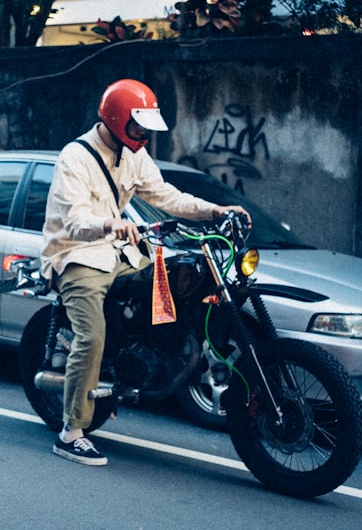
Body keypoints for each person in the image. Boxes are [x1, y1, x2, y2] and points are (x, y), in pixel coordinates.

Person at [41, 78, 249, 466]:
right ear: (118, 120)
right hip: (77, 254)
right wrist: (109, 224)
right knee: (91, 336)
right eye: (139, 128)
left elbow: (167, 196)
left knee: (171, 283)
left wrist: (217, 211)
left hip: (118, 250)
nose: (145, 136)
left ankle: (148, 357)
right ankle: (70, 432)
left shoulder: (134, 155)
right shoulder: (76, 157)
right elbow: (73, 219)